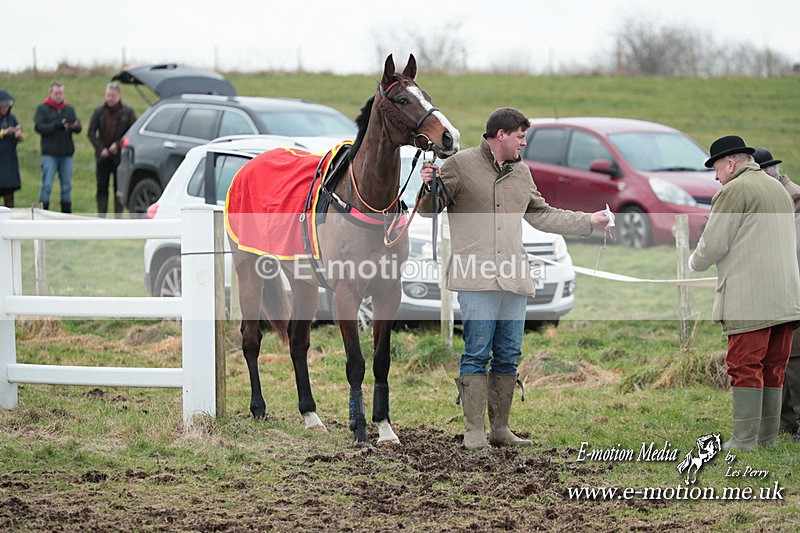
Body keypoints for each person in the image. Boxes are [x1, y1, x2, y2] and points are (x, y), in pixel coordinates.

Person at [418, 107, 609, 450]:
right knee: (476, 352)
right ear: (500, 135)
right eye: (520, 136)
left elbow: (544, 215)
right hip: (476, 278)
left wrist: (588, 222)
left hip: (514, 278)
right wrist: (429, 185)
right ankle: (474, 431)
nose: (524, 142)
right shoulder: (460, 164)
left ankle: (501, 429)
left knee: (508, 354)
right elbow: (430, 209)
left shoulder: (522, 173)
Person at [689, 136, 800, 451]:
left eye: (716, 169)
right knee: (773, 366)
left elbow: (712, 245)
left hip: (751, 299)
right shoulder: (777, 187)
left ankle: (744, 440)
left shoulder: (733, 190)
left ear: (730, 163)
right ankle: (764, 439)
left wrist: (693, 262)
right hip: (787, 299)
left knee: (744, 366)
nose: (715, 177)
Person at [754, 147, 800, 442]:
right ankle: (785, 422)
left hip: (793, 293)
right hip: (779, 293)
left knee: (795, 356)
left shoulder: (794, 203)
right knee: (780, 354)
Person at [88, 82, 137, 217]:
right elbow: (91, 132)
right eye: (108, 95)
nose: (110, 98)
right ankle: (101, 217)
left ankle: (118, 218)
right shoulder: (99, 112)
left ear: (119, 95)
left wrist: (118, 145)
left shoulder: (128, 112)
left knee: (118, 188)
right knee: (101, 187)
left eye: (113, 96)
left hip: (119, 158)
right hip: (102, 157)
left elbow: (132, 133)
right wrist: (100, 148)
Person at [34, 82, 81, 213]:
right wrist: (57, 126)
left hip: (66, 154)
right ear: (50, 94)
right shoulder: (42, 109)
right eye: (56, 93)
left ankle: (66, 216)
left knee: (66, 187)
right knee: (47, 185)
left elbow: (79, 127)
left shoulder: (69, 109)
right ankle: (41, 214)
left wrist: (74, 126)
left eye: (61, 93)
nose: (59, 96)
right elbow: (39, 127)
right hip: (49, 153)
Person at [0, 90, 24, 208]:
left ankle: (10, 222)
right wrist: (5, 132)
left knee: (9, 194)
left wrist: (18, 134)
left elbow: (20, 134)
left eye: (7, 106)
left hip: (9, 161)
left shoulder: (11, 118)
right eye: (3, 106)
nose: (5, 108)